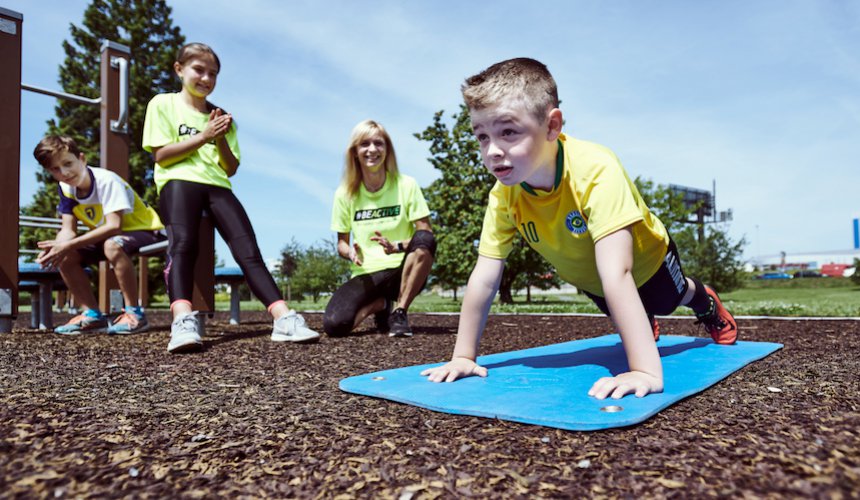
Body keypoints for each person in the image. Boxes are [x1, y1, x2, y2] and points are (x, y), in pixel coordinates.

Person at [422, 58, 737, 400]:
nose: (493, 150)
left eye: (508, 132)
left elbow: (618, 271)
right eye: (482, 136)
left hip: (646, 262)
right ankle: (642, 323)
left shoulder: (595, 169)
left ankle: (703, 299)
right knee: (625, 310)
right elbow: (485, 276)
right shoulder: (503, 196)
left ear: (552, 126)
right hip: (594, 280)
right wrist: (464, 357)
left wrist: (645, 371)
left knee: (667, 300)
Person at [142, 42, 320, 353]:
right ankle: (183, 321)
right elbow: (161, 155)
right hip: (178, 181)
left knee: (248, 251)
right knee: (184, 245)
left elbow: (231, 167)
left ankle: (283, 318)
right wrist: (203, 136)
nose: (206, 78)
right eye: (199, 70)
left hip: (218, 185)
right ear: (179, 69)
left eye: (213, 74)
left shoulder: (222, 116)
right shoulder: (163, 104)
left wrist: (219, 138)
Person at [33, 135, 166, 335]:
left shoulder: (106, 181)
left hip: (148, 231)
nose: (65, 172)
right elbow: (68, 229)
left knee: (112, 244)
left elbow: (114, 226)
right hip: (109, 237)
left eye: (68, 163)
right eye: (55, 169)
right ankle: (92, 315)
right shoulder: (66, 188)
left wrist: (67, 244)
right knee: (66, 255)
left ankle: (135, 314)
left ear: (82, 159)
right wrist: (56, 248)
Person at [323, 120, 436, 338]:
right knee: (334, 326)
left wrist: (397, 246)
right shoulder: (344, 194)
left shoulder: (407, 185)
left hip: (402, 269)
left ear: (387, 150)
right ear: (355, 152)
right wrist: (350, 252)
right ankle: (382, 305)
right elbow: (341, 244)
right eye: (365, 144)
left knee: (424, 238)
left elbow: (426, 234)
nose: (372, 149)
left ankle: (399, 311)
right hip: (366, 274)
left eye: (379, 143)